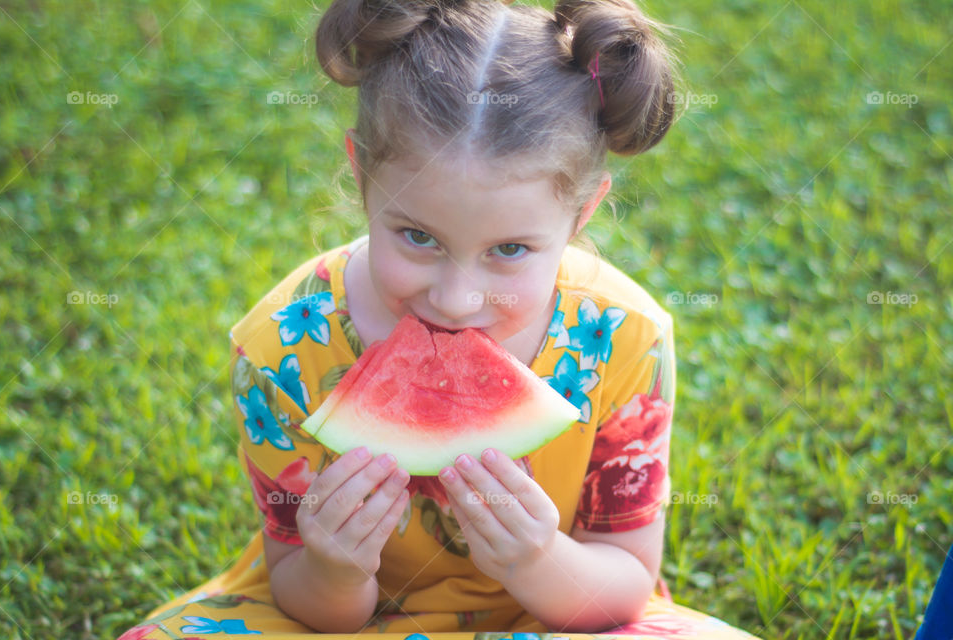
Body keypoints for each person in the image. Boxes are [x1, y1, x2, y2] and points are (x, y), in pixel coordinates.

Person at [118, 0, 764, 637]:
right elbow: (297, 593)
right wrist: (334, 572)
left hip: (554, 620)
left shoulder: (628, 341)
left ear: (582, 214)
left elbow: (623, 586)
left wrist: (538, 560)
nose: (457, 300)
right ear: (361, 173)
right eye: (418, 237)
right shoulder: (281, 347)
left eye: (509, 250)